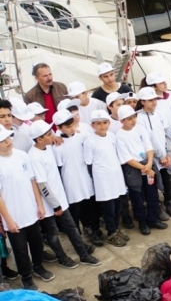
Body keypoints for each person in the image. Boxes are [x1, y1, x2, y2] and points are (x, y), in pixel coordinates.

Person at [28, 120, 101, 269]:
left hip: (60, 198)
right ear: (39, 139)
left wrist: (55, 137)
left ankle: (83, 255)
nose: (53, 135)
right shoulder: (34, 156)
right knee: (53, 232)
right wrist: (55, 205)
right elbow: (42, 184)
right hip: (50, 203)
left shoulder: (48, 146)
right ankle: (62, 258)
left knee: (71, 227)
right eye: (49, 134)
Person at [0, 122, 55, 291]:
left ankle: (38, 266)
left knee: (37, 243)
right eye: (3, 140)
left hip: (31, 210)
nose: (8, 142)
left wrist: (39, 204)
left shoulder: (22, 156)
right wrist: (8, 219)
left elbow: (32, 181)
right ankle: (26, 277)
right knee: (20, 250)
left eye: (8, 137)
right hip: (13, 215)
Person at [51, 109, 103, 247]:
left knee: (90, 205)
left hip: (85, 177)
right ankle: (78, 239)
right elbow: (59, 166)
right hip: (71, 181)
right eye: (68, 127)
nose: (72, 128)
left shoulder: (82, 136)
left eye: (73, 125)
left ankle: (92, 229)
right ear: (59, 128)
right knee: (75, 209)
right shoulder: (57, 146)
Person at [115, 105, 167, 235]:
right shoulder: (119, 136)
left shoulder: (140, 129)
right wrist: (145, 168)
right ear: (121, 121)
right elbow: (127, 158)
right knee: (137, 198)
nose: (133, 120)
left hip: (147, 165)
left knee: (152, 195)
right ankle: (142, 222)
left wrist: (149, 164)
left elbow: (149, 147)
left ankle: (153, 219)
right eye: (128, 119)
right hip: (133, 169)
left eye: (134, 117)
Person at [84, 109, 129, 247]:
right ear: (92, 125)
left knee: (117, 206)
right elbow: (89, 164)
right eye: (98, 123)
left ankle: (116, 229)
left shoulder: (111, 136)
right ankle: (111, 233)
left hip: (116, 175)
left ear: (109, 123)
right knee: (109, 208)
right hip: (103, 179)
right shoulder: (90, 141)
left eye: (104, 122)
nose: (102, 126)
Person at [136, 87, 171, 220]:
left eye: (154, 99)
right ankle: (157, 207)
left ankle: (169, 203)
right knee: (153, 184)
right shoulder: (139, 118)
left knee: (168, 180)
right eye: (150, 100)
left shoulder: (160, 113)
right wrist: (160, 156)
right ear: (142, 102)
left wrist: (168, 153)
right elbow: (147, 140)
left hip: (166, 156)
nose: (154, 102)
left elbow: (167, 134)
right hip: (152, 158)